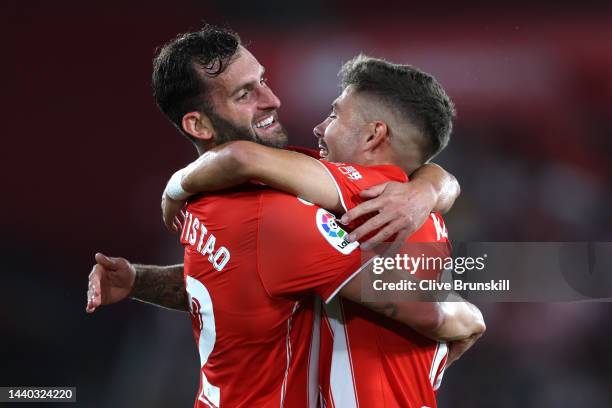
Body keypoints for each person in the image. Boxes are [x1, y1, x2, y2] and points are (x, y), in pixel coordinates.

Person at [86, 26, 483, 407]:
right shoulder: (282, 208)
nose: (272, 99)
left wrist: (176, 187)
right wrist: (468, 315)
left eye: (263, 80)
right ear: (198, 124)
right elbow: (252, 270)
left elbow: (267, 250)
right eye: (246, 93)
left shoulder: (239, 200)